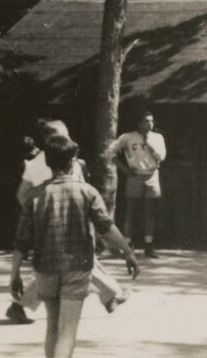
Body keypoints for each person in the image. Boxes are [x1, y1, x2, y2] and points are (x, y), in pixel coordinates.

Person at [11, 134, 140, 358]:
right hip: (77, 268)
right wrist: (128, 252)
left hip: (45, 268)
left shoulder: (34, 196)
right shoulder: (87, 192)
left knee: (52, 327)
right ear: (72, 162)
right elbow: (106, 227)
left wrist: (14, 275)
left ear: (49, 162)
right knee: (67, 332)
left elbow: (21, 241)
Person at [105, 111, 166, 258]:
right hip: (135, 176)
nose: (149, 124)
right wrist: (124, 168)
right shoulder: (128, 137)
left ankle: (149, 246)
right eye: (146, 121)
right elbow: (110, 152)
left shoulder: (157, 138)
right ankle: (128, 246)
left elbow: (162, 157)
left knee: (149, 212)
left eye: (151, 121)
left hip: (152, 175)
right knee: (131, 211)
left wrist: (150, 147)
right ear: (139, 123)